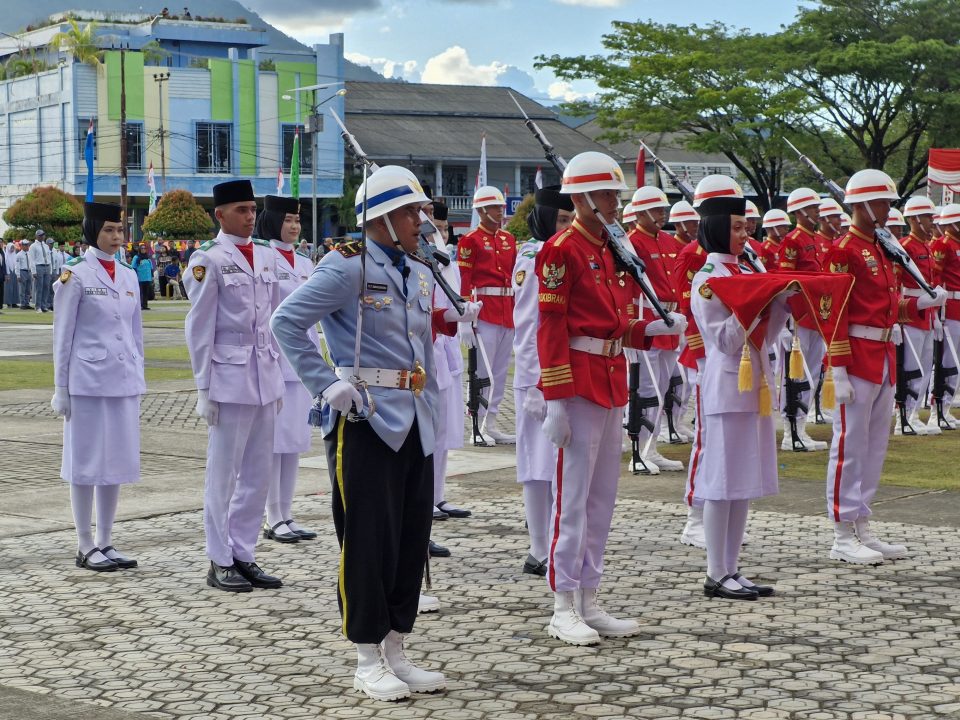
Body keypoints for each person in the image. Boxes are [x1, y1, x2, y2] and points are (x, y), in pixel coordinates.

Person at [271, 168, 477, 701]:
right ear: (384, 218)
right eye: (412, 211)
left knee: (410, 539)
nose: (421, 220)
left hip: (415, 415)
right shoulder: (347, 265)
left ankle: (395, 649)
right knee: (366, 541)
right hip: (365, 417)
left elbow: (418, 341)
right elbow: (285, 322)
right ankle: (366, 658)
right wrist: (325, 383)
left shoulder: (416, 267)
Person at [536, 151, 686, 645]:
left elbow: (615, 326)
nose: (613, 205)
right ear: (580, 199)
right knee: (571, 499)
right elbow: (552, 327)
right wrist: (555, 399)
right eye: (603, 196)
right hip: (576, 382)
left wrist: (654, 328)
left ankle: (589, 598)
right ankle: (562, 604)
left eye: (615, 196)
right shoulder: (562, 249)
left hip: (610, 377)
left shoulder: (610, 250)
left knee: (602, 499)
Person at [824, 170, 947, 564]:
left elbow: (887, 305)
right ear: (859, 205)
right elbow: (835, 313)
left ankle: (862, 523)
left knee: (875, 446)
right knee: (849, 445)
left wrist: (918, 306)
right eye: (880, 203)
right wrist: (838, 367)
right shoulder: (843, 249)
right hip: (857, 355)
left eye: (889, 203)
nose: (886, 210)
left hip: (884, 354)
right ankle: (841, 533)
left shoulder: (880, 247)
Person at [184, 179, 286, 593]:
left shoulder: (264, 255)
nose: (250, 216)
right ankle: (219, 558)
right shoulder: (208, 259)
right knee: (223, 474)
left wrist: (279, 373)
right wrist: (203, 389)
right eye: (241, 209)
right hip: (228, 377)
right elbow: (198, 327)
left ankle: (244, 552)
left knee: (258, 473)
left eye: (252, 208)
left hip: (264, 374)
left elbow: (276, 318)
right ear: (220, 214)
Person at [690, 191, 791, 600]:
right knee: (720, 481)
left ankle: (732, 568)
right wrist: (754, 304)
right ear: (716, 228)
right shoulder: (707, 279)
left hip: (755, 383)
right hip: (728, 384)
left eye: (745, 225)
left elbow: (769, 331)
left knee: (742, 481)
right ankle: (715, 573)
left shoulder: (748, 267)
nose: (745, 233)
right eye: (735, 227)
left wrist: (781, 301)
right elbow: (726, 342)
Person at [51, 201, 144, 572]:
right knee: (85, 462)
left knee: (116, 461)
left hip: (121, 381)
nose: (117, 237)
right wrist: (61, 388)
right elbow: (62, 336)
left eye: (120, 231)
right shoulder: (75, 275)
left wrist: (139, 376)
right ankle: (84, 543)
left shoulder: (128, 274)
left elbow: (135, 334)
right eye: (108, 230)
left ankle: (106, 539)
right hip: (86, 382)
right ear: (93, 232)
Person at [512, 185, 574, 576]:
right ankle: (538, 547)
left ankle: (551, 540)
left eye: (572, 220)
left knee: (554, 463)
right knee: (536, 464)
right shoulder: (534, 256)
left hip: (557, 372)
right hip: (537, 374)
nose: (567, 227)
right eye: (562, 220)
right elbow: (529, 323)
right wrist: (536, 381)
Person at [255, 195, 319, 545]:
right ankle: (271, 516)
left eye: (297, 220)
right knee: (272, 443)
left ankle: (286, 513)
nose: (294, 226)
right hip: (274, 359)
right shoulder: (263, 257)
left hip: (302, 360)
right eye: (288, 219)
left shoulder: (307, 263)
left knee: (294, 442)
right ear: (273, 220)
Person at [627, 186, 687, 471]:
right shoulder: (632, 242)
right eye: (657, 210)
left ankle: (651, 447)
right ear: (640, 213)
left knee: (662, 388)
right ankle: (639, 450)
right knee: (645, 388)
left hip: (669, 320)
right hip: (648, 318)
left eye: (663, 209)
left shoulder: (667, 240)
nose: (662, 214)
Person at [423, 200, 472, 528]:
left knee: (442, 433)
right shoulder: (414, 252)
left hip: (446, 350)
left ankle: (437, 495)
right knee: (425, 435)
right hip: (425, 352)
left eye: (441, 226)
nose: (436, 229)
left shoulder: (442, 256)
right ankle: (424, 501)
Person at [457, 186, 517, 445]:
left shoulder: (508, 239)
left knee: (500, 372)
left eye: (501, 207)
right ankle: (475, 425)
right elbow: (465, 281)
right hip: (483, 312)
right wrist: (466, 318)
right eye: (495, 207)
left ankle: (490, 423)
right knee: (482, 372)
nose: (500, 211)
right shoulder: (470, 240)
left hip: (507, 310)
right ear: (482, 211)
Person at [777, 188, 828, 452]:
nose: (818, 212)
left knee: (813, 373)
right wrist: (786, 321)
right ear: (799, 212)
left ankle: (802, 425)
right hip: (799, 317)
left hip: (818, 314)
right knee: (795, 374)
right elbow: (785, 284)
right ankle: (790, 430)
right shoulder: (792, 241)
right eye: (813, 207)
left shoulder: (818, 240)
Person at [896, 196, 940, 435]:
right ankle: (904, 416)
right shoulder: (905, 246)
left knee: (923, 366)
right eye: (927, 217)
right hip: (911, 312)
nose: (931, 222)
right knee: (911, 367)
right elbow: (897, 283)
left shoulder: (926, 246)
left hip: (927, 312)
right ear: (914, 219)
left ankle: (912, 414)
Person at [930, 203, 960, 430]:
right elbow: (935, 277)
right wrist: (935, 312)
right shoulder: (942, 245)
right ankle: (937, 409)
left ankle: (946, 408)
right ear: (951, 224)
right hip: (949, 307)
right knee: (947, 361)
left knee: (956, 363)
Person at [28, 229, 53, 313]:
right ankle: (38, 306)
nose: (42, 236)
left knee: (46, 287)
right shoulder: (33, 246)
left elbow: (49, 258)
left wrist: (50, 270)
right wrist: (33, 271)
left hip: (47, 266)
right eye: (40, 235)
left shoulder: (46, 246)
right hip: (39, 267)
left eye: (43, 235)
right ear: (36, 236)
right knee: (39, 287)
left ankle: (44, 306)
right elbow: (32, 259)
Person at [131, 244, 154, 310]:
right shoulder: (136, 257)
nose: (143, 249)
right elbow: (133, 267)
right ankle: (139, 305)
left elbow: (151, 268)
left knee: (146, 292)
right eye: (142, 248)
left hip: (147, 277)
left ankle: (145, 305)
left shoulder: (148, 257)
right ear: (139, 250)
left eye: (144, 248)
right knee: (140, 292)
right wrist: (135, 276)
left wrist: (152, 277)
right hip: (140, 278)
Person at [16, 240, 33, 309]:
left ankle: (27, 303)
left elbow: (31, 263)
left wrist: (32, 272)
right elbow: (17, 266)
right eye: (25, 245)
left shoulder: (29, 254)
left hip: (29, 271)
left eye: (27, 245)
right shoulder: (19, 255)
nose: (27, 246)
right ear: (22, 246)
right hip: (22, 271)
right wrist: (18, 275)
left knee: (28, 289)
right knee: (22, 289)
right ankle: (22, 304)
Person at [3, 239, 18, 308]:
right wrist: (7, 274)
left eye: (13, 247)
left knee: (15, 287)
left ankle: (14, 302)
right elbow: (6, 265)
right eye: (11, 248)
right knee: (9, 288)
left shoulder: (15, 255)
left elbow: (17, 264)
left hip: (15, 272)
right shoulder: (6, 256)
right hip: (9, 273)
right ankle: (9, 302)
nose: (12, 249)